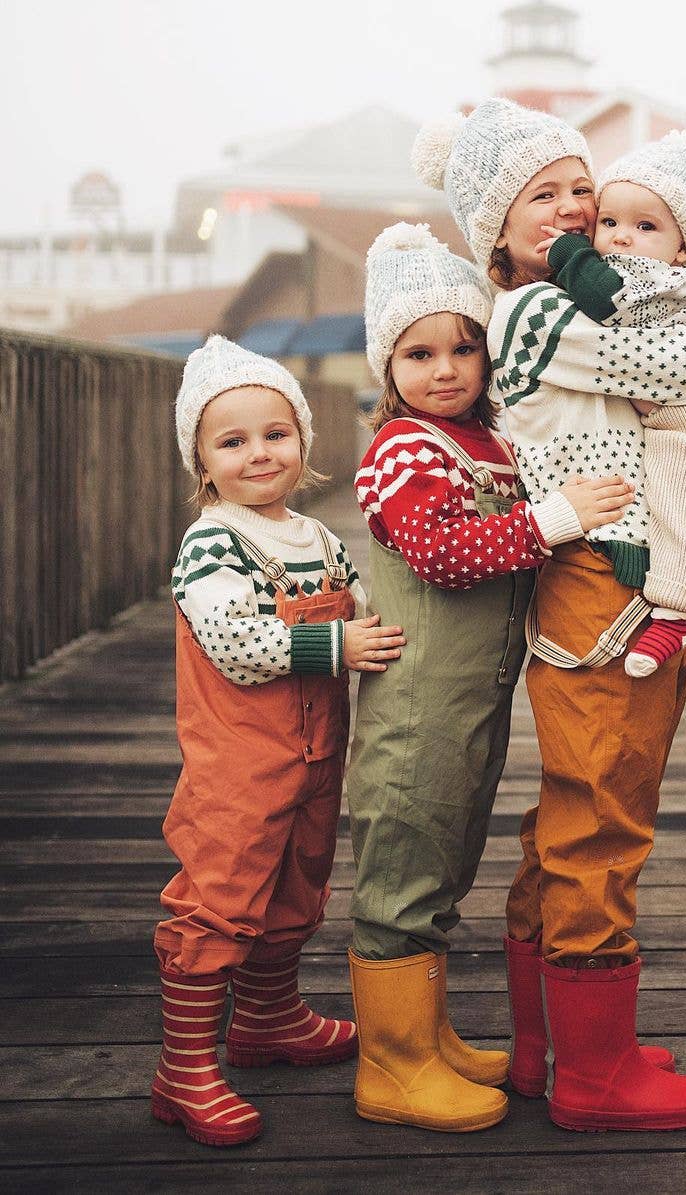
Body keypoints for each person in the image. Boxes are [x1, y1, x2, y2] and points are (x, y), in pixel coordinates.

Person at [413, 97, 686, 1132]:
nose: (575, 208)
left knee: (576, 811)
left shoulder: (596, 301)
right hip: (606, 583)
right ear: (496, 224)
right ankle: (596, 1073)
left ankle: (551, 1046)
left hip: (621, 574)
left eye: (583, 186)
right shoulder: (539, 311)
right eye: (545, 195)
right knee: (601, 818)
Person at [346, 223, 635, 1132]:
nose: (445, 368)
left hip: (473, 704)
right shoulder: (404, 450)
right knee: (403, 863)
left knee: (447, 859)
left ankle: (425, 1033)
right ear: (386, 366)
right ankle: (390, 1063)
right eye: (418, 352)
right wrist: (551, 518)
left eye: (465, 346)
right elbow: (440, 551)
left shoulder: (490, 440)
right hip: (417, 708)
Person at [151, 336, 405, 1147]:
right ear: (202, 457)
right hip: (239, 764)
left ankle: (266, 1019)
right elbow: (233, 638)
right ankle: (183, 1069)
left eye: (276, 434)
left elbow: (360, 603)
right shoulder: (214, 541)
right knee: (220, 897)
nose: (258, 453)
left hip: (316, 756)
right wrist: (339, 647)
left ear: (303, 442)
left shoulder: (318, 538)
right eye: (232, 441)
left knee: (298, 885)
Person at [538, 124, 686, 678]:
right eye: (610, 223)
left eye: (645, 226)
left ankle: (678, 612)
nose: (621, 238)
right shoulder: (656, 278)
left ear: (682, 247)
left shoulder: (644, 280)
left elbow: (608, 301)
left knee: (678, 502)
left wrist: (570, 250)